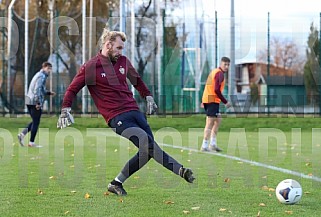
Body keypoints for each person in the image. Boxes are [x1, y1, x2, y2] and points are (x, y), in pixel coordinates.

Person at [57, 28, 195, 196]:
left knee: (148, 151)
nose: (121, 52)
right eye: (119, 47)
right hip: (116, 117)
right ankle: (181, 170)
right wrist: (65, 109)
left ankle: (116, 183)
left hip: (135, 112)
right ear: (108, 45)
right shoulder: (91, 66)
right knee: (146, 142)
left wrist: (148, 97)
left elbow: (137, 81)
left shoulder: (123, 61)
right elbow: (72, 89)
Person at [18, 62, 55, 147]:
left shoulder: (38, 75)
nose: (49, 71)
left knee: (35, 121)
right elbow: (37, 89)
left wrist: (48, 93)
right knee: (36, 122)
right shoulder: (41, 76)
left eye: (50, 69)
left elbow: (41, 89)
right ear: (44, 67)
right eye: (48, 68)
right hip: (34, 101)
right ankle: (31, 142)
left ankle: (22, 135)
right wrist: (38, 102)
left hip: (29, 100)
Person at [200, 57, 231, 152]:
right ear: (221, 64)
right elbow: (216, 89)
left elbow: (208, 86)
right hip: (212, 100)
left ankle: (212, 144)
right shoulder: (219, 74)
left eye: (228, 65)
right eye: (225, 64)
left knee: (218, 120)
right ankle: (204, 145)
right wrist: (225, 102)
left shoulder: (215, 72)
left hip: (209, 100)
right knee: (210, 123)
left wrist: (204, 100)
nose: (226, 66)